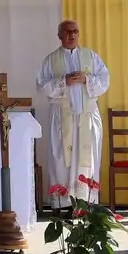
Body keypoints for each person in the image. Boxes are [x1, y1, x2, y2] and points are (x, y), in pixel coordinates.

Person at [36, 19, 110, 209]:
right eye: (67, 31)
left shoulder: (91, 56)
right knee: (61, 159)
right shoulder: (50, 60)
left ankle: (87, 203)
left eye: (75, 31)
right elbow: (42, 85)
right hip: (62, 118)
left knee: (88, 158)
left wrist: (87, 79)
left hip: (87, 116)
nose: (72, 35)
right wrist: (63, 82)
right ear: (60, 35)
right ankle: (64, 205)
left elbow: (104, 80)